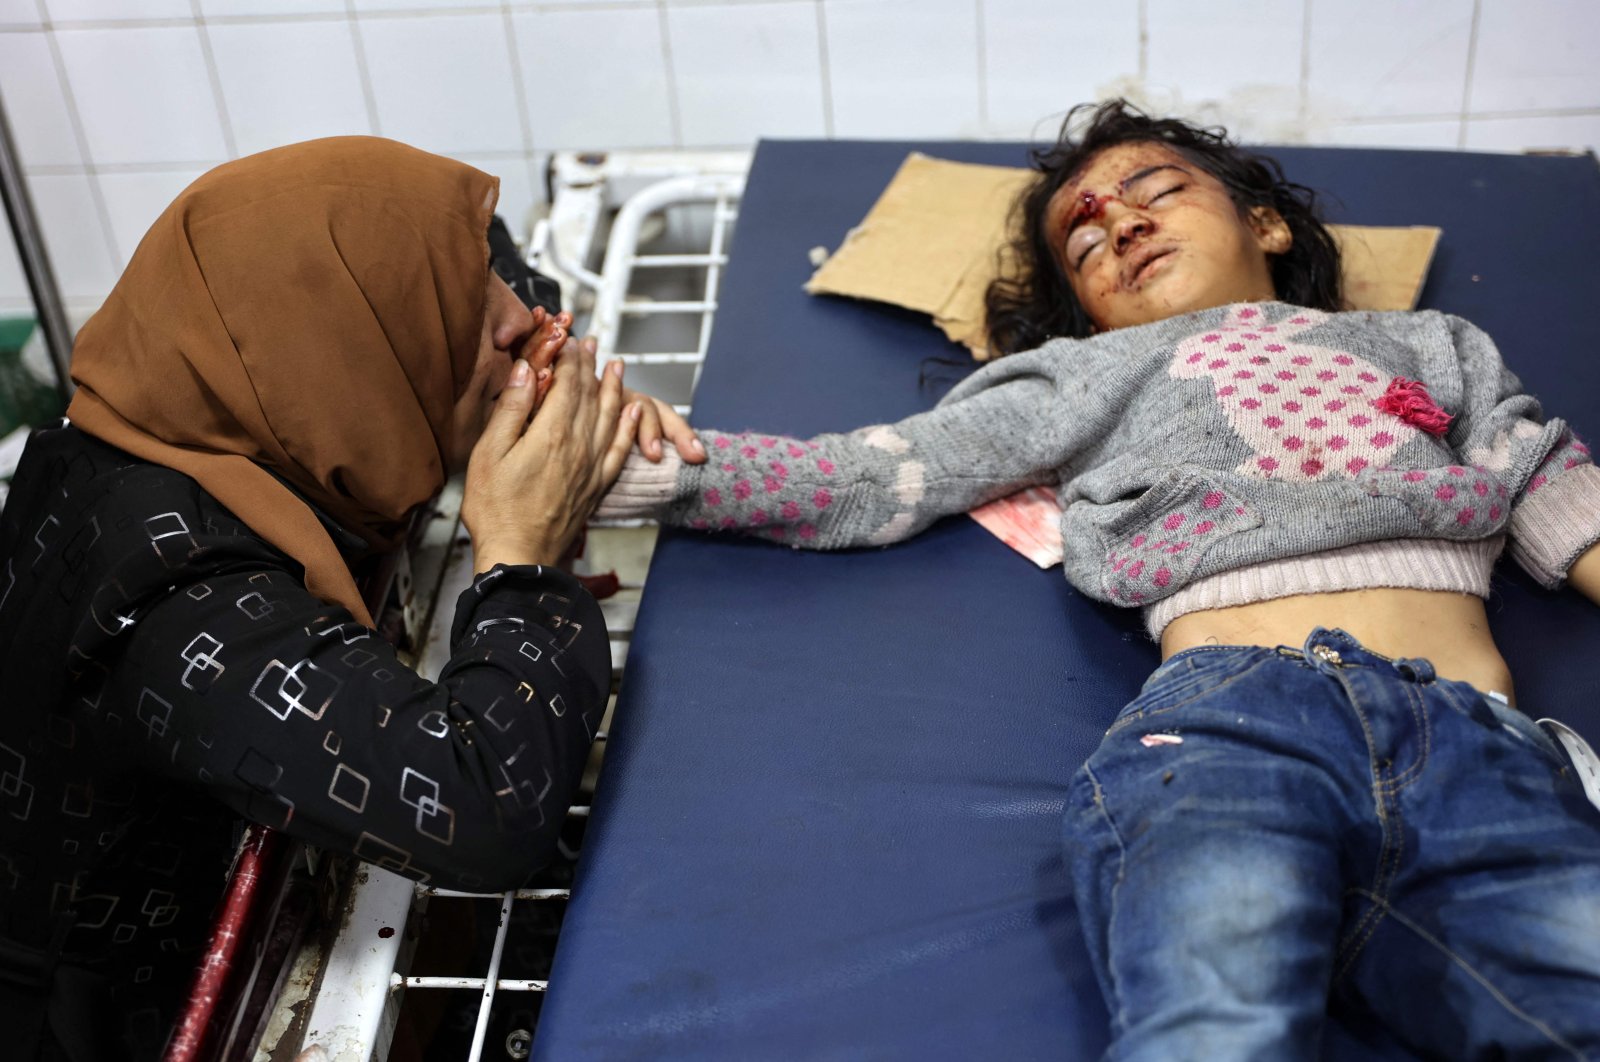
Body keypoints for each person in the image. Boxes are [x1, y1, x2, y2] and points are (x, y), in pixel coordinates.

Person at [595, 100, 1600, 1057]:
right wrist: (620, 467)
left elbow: (1556, 490)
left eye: (1155, 192)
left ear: (1267, 225)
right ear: (1083, 312)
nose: (1117, 225)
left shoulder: (1432, 343)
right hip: (1235, 729)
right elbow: (871, 475)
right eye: (1083, 244)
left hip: (1472, 744)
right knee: (1215, 1025)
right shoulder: (1083, 378)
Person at [0, 136, 692, 1060]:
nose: (513, 315)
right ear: (341, 348)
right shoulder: (173, 601)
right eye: (449, 305)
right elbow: (486, 808)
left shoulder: (209, 399)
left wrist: (558, 371)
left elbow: (487, 260)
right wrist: (522, 553)